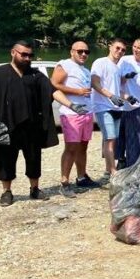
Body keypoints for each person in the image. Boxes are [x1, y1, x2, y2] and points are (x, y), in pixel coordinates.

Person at [0, 40, 86, 206]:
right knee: (4, 159)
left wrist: (72, 105)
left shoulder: (36, 75)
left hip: (31, 126)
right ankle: (7, 192)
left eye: (30, 55)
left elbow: (53, 91)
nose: (27, 58)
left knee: (34, 158)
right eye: (24, 54)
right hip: (5, 126)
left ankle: (34, 189)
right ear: (13, 52)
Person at [50, 41, 99, 198]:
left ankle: (82, 177)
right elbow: (54, 84)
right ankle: (64, 182)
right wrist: (77, 91)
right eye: (80, 51)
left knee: (83, 147)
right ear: (72, 52)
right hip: (71, 113)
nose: (83, 54)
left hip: (87, 112)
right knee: (71, 148)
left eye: (86, 51)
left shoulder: (85, 70)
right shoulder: (64, 65)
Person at [91, 39, 130, 179]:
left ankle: (108, 170)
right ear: (110, 47)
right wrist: (111, 96)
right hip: (103, 106)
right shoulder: (100, 62)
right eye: (117, 48)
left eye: (123, 50)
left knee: (113, 139)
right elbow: (95, 83)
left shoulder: (118, 67)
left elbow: (118, 89)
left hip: (117, 107)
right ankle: (113, 171)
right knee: (110, 138)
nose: (119, 51)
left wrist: (127, 98)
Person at [117, 38, 140, 168]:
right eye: (134, 46)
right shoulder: (125, 60)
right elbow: (116, 81)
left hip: (139, 106)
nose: (135, 50)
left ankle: (136, 165)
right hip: (123, 105)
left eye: (139, 48)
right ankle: (120, 163)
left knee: (138, 139)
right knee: (120, 137)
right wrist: (126, 77)